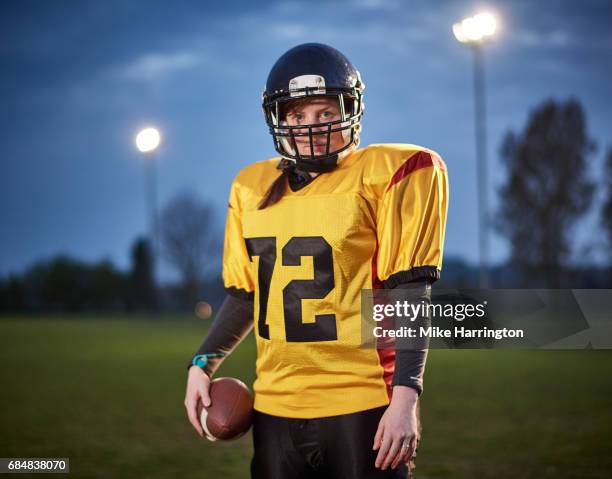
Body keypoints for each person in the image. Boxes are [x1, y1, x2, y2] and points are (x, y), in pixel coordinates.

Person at [184, 43, 449, 479]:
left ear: (350, 111)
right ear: (278, 121)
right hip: (275, 407)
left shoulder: (385, 174)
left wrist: (405, 398)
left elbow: (409, 295)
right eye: (297, 116)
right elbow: (246, 296)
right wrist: (201, 363)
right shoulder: (251, 188)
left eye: (325, 113)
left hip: (360, 404)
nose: (311, 128)